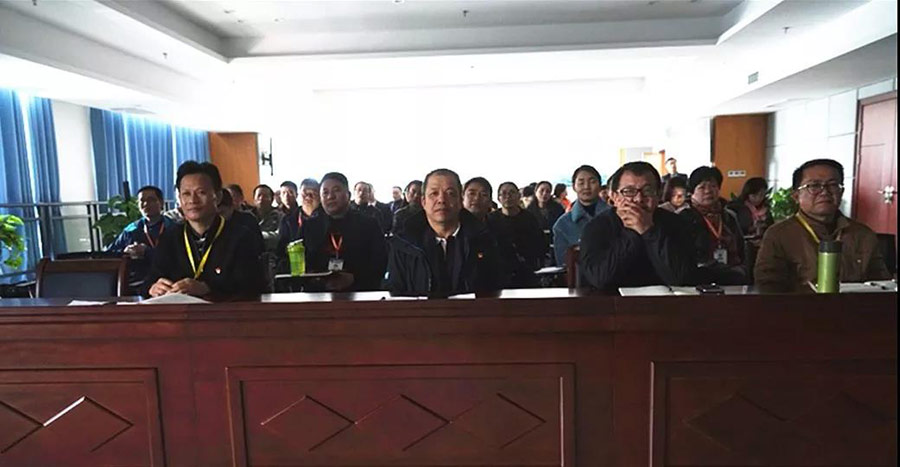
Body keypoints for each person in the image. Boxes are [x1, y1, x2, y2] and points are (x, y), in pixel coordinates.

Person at [755, 159, 891, 293]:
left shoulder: (863, 235)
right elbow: (768, 288)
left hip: (855, 306)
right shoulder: (779, 235)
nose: (825, 191)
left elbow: (882, 285)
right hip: (800, 307)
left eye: (833, 185)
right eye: (814, 186)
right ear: (796, 196)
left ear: (841, 192)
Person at [143, 161, 265, 299]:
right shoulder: (170, 237)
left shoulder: (241, 236)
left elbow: (253, 286)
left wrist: (207, 288)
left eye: (201, 192)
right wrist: (153, 287)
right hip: (178, 311)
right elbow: (149, 281)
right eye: (186, 194)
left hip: (224, 311)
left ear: (218, 197)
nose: (193, 200)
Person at [579, 161, 695, 291]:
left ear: (658, 195)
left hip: (665, 301)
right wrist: (632, 231)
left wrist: (648, 231)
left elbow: (682, 279)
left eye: (648, 191)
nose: (639, 199)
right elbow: (600, 279)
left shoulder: (675, 223)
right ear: (615, 197)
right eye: (629, 191)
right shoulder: (596, 227)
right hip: (613, 301)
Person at [387, 168, 501, 296]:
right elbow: (395, 291)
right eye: (434, 193)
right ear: (423, 202)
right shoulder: (404, 243)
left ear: (460, 201)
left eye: (450, 193)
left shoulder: (484, 239)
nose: (442, 200)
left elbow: (496, 288)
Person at [299, 172, 387, 291]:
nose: (330, 196)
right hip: (318, 294)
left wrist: (355, 278)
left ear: (349, 195)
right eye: (325, 192)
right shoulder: (310, 226)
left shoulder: (368, 224)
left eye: (336, 190)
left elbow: (380, 263)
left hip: (360, 293)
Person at [680, 166, 747, 285]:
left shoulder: (729, 216)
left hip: (732, 277)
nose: (708, 191)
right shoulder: (683, 217)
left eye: (713, 186)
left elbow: (741, 248)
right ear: (692, 192)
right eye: (702, 187)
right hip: (698, 279)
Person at [107, 185, 177, 283]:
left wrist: (147, 252)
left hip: (167, 280)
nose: (145, 204)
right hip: (137, 281)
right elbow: (110, 254)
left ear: (161, 203)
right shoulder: (131, 229)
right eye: (142, 201)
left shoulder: (173, 228)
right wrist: (125, 252)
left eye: (151, 200)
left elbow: (177, 260)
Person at [487, 181, 546, 288]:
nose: (508, 196)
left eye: (512, 193)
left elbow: (539, 245)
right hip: (500, 274)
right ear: (498, 198)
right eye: (503, 193)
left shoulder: (530, 218)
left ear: (519, 196)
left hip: (527, 272)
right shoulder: (491, 220)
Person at [552, 165, 610, 266]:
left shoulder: (616, 216)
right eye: (581, 183)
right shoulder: (562, 225)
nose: (586, 187)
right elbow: (564, 265)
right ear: (574, 187)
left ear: (600, 185)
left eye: (592, 182)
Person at [276, 178, 324, 266]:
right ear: (299, 195)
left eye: (313, 193)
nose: (308, 197)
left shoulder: (328, 217)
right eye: (305, 193)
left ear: (320, 196)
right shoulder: (288, 220)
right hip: (295, 268)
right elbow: (280, 251)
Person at [526, 181, 565, 260]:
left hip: (555, 245)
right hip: (536, 247)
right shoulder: (529, 211)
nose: (544, 194)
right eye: (541, 191)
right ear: (536, 192)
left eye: (548, 191)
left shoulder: (558, 209)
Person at [252, 184, 283, 251]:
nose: (261, 198)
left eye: (265, 196)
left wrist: (256, 236)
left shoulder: (280, 216)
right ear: (254, 199)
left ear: (272, 200)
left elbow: (279, 236)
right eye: (259, 195)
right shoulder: (247, 216)